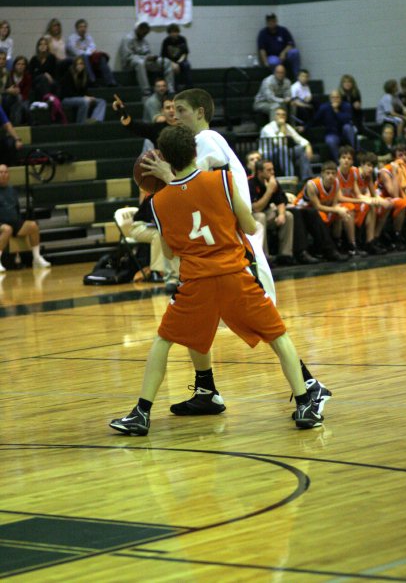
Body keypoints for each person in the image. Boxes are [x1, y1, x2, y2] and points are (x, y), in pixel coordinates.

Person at [109, 124, 323, 435]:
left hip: (196, 284)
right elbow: (249, 227)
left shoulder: (159, 202)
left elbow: (169, 253)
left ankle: (141, 413)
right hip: (235, 276)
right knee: (279, 337)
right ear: (196, 152)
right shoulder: (223, 180)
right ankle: (305, 404)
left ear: (166, 159)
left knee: (163, 341)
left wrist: (172, 188)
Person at [294, 161, 365, 257]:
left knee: (340, 214)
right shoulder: (312, 185)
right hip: (303, 210)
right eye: (327, 173)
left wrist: (341, 212)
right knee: (324, 215)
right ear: (322, 174)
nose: (330, 176)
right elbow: (317, 206)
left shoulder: (336, 183)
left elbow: (334, 205)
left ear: (336, 175)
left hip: (320, 210)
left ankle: (338, 244)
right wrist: (337, 210)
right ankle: (324, 249)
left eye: (333, 173)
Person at [338, 147, 389, 254]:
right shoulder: (341, 174)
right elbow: (345, 197)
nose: (346, 160)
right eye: (343, 158)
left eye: (349, 158)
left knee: (378, 205)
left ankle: (371, 241)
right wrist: (368, 200)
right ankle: (353, 245)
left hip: (353, 202)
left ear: (352, 161)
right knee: (357, 207)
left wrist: (379, 200)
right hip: (343, 203)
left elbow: (361, 194)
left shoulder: (355, 173)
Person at [0, 164, 51, 272]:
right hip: (2, 224)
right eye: (1, 172)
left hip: (14, 222)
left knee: (33, 226)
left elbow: (17, 208)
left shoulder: (12, 190)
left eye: (5, 172)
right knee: (7, 229)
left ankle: (36, 258)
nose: (3, 175)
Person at [249, 159, 295, 265]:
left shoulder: (273, 181)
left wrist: (282, 215)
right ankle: (264, 257)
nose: (273, 172)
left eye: (272, 169)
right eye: (269, 170)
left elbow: (281, 201)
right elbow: (256, 208)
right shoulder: (250, 183)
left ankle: (285, 255)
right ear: (260, 172)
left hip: (267, 213)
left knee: (288, 215)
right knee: (260, 216)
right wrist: (269, 191)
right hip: (252, 216)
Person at [119, 21, 175, 96]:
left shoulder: (143, 40)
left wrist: (151, 57)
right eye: (143, 33)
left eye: (146, 34)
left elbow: (147, 52)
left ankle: (170, 88)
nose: (144, 35)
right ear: (138, 29)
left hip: (145, 61)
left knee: (166, 62)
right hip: (130, 63)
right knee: (140, 62)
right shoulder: (128, 39)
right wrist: (145, 58)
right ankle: (146, 90)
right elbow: (127, 57)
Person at [259, 106, 313, 180]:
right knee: (283, 149)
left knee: (300, 149)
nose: (281, 116)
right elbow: (279, 143)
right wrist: (282, 128)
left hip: (282, 152)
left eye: (283, 114)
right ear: (274, 117)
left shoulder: (287, 126)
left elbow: (299, 138)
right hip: (267, 154)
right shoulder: (267, 128)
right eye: (278, 114)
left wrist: (307, 145)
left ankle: (306, 177)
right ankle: (290, 176)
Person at [304, 90, 358, 162]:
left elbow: (347, 119)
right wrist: (305, 127)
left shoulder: (346, 106)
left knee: (348, 127)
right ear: (330, 98)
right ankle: (339, 162)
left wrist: (336, 111)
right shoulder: (324, 107)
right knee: (330, 140)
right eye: (333, 97)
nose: (335, 99)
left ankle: (355, 153)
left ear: (340, 98)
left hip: (344, 132)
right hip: (332, 133)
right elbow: (315, 120)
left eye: (337, 97)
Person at [66, 19, 117, 86]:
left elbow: (93, 48)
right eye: (81, 27)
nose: (83, 29)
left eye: (84, 27)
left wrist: (85, 50)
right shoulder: (72, 38)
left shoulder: (89, 37)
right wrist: (87, 50)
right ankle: (92, 81)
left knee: (101, 57)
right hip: (76, 59)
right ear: (77, 28)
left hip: (87, 58)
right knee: (84, 56)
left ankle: (111, 82)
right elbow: (76, 52)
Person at [60, 56, 106, 124]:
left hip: (79, 98)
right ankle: (81, 123)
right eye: (77, 64)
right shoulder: (68, 74)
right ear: (74, 65)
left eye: (81, 64)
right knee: (84, 102)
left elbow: (84, 91)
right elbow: (68, 93)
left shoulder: (84, 75)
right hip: (66, 99)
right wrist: (84, 97)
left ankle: (96, 120)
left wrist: (90, 97)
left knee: (102, 101)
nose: (79, 66)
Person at [257, 13, 300, 79]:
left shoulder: (283, 30)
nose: (271, 23)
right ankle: (278, 79)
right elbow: (262, 50)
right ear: (267, 22)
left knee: (295, 52)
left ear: (276, 21)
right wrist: (265, 62)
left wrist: (284, 53)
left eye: (273, 21)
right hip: (272, 56)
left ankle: (296, 77)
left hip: (284, 55)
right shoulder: (263, 33)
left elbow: (291, 44)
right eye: (269, 21)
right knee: (273, 61)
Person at [160, 23, 193, 88]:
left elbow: (185, 53)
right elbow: (163, 55)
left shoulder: (182, 39)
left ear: (178, 32)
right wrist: (172, 63)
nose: (174, 34)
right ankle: (175, 87)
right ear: (169, 33)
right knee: (172, 68)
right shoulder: (166, 41)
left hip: (181, 60)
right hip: (170, 61)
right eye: (172, 32)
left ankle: (189, 86)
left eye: (175, 32)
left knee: (187, 65)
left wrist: (179, 62)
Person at [2, 56, 32, 125]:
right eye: (18, 64)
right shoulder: (9, 74)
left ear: (25, 66)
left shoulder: (27, 77)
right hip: (9, 98)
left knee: (22, 105)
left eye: (22, 64)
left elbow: (26, 93)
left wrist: (18, 94)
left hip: (23, 99)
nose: (20, 66)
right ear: (14, 65)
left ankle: (16, 125)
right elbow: (6, 88)